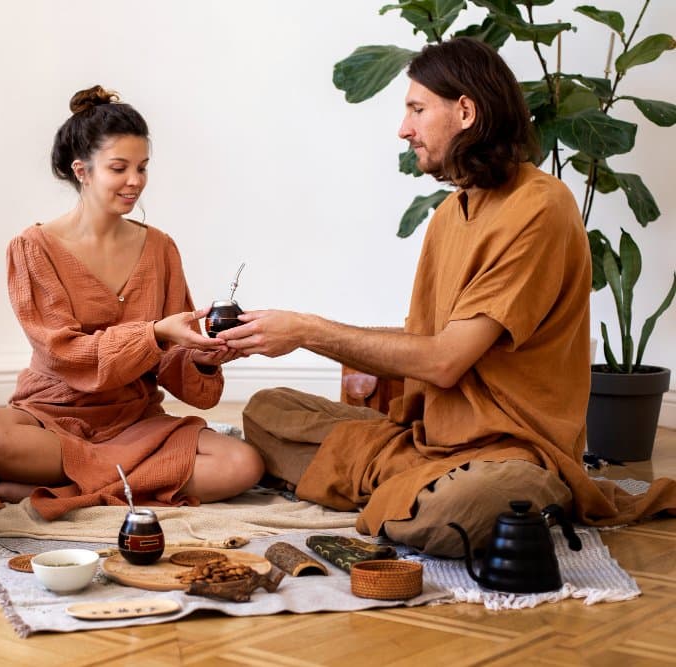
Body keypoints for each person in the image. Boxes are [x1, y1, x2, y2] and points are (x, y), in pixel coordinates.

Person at [219, 38, 676, 555]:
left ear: (464, 111)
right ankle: (404, 483)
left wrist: (307, 332)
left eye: (416, 109)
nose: (403, 128)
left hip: (513, 451)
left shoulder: (540, 207)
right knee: (266, 410)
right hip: (430, 440)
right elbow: (429, 341)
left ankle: (411, 490)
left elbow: (443, 361)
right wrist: (330, 345)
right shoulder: (448, 214)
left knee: (454, 513)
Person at [0, 85, 264, 520]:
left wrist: (206, 356)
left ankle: (64, 486)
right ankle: (128, 481)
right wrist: (154, 334)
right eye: (119, 168)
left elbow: (176, 364)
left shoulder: (160, 248)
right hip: (54, 417)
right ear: (82, 171)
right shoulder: (32, 248)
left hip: (135, 421)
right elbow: (65, 354)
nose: (135, 181)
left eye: (142, 168)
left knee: (242, 464)